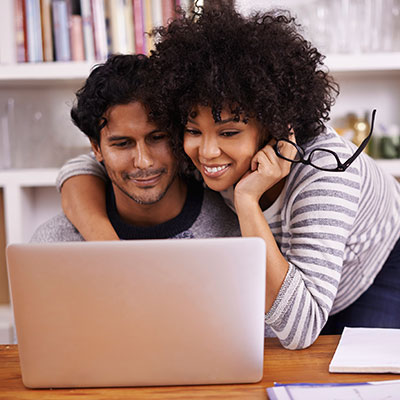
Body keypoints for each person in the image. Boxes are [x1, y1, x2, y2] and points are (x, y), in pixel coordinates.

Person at [57, 4, 400, 349]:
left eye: (229, 133)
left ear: (273, 126)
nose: (207, 152)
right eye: (193, 130)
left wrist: (247, 200)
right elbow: (86, 166)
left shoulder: (323, 173)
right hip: (297, 289)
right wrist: (110, 251)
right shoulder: (191, 150)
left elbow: (299, 330)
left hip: (375, 271)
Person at [31, 53, 240, 243]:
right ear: (96, 149)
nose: (143, 161)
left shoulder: (234, 228)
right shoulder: (55, 243)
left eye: (157, 137)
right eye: (122, 144)